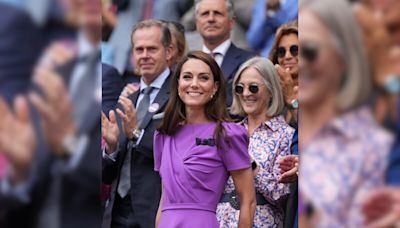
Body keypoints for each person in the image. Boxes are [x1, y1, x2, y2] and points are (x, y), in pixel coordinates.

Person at [299, 0, 393, 226]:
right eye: (293, 50)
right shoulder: (285, 125)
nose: (298, 62)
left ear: (344, 56)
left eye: (310, 51)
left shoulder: (371, 146)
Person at [154, 51, 256, 227]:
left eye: (203, 78)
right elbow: (164, 201)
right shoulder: (163, 134)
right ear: (178, 84)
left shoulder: (227, 134)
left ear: (215, 87)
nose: (194, 84)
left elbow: (248, 200)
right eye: (187, 77)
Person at [102, 19, 173, 228]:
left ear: (168, 52)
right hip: (116, 213)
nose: (144, 55)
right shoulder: (127, 101)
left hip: (155, 213)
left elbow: (176, 155)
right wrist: (111, 148)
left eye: (152, 49)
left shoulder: (181, 96)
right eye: (139, 49)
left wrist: (137, 133)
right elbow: (107, 175)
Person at [216, 57, 294, 227]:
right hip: (221, 220)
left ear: (271, 90)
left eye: (253, 87)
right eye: (240, 88)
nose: (246, 94)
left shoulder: (286, 135)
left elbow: (280, 194)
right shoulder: (227, 132)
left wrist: (250, 165)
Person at [195, 0, 255, 106]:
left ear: (231, 22)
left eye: (217, 13)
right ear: (197, 22)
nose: (211, 19)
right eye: (205, 14)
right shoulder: (186, 63)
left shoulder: (250, 62)